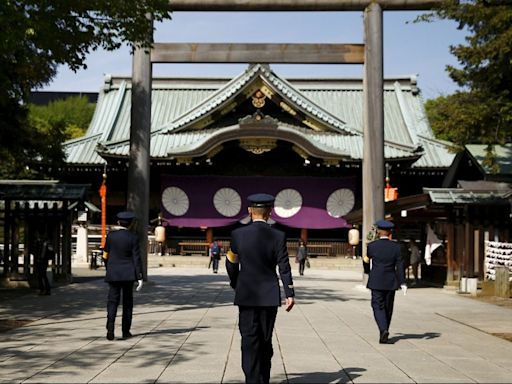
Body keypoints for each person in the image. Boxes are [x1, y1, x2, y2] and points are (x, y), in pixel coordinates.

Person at [226, 193, 295, 384]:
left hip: (246, 294)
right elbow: (284, 266)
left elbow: (231, 261)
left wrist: (235, 282)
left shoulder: (237, 234)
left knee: (249, 339)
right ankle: (262, 378)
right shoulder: (279, 236)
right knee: (265, 339)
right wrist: (289, 293)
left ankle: (252, 379)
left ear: (249, 211)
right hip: (268, 295)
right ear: (270, 212)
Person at [363, 219, 406, 344]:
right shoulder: (397, 247)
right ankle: (385, 329)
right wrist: (402, 282)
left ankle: (383, 329)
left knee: (377, 306)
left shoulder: (372, 246)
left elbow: (366, 260)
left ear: (378, 231)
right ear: (390, 232)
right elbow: (400, 266)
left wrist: (367, 271)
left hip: (376, 280)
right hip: (391, 281)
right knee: (388, 307)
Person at [103, 211, 144, 341]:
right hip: (128, 274)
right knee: (127, 303)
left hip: (114, 273)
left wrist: (108, 267)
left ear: (118, 222)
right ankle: (125, 331)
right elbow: (136, 258)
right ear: (131, 223)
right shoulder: (133, 237)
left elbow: (105, 254)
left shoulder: (110, 236)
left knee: (112, 301)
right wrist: (139, 276)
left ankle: (110, 327)